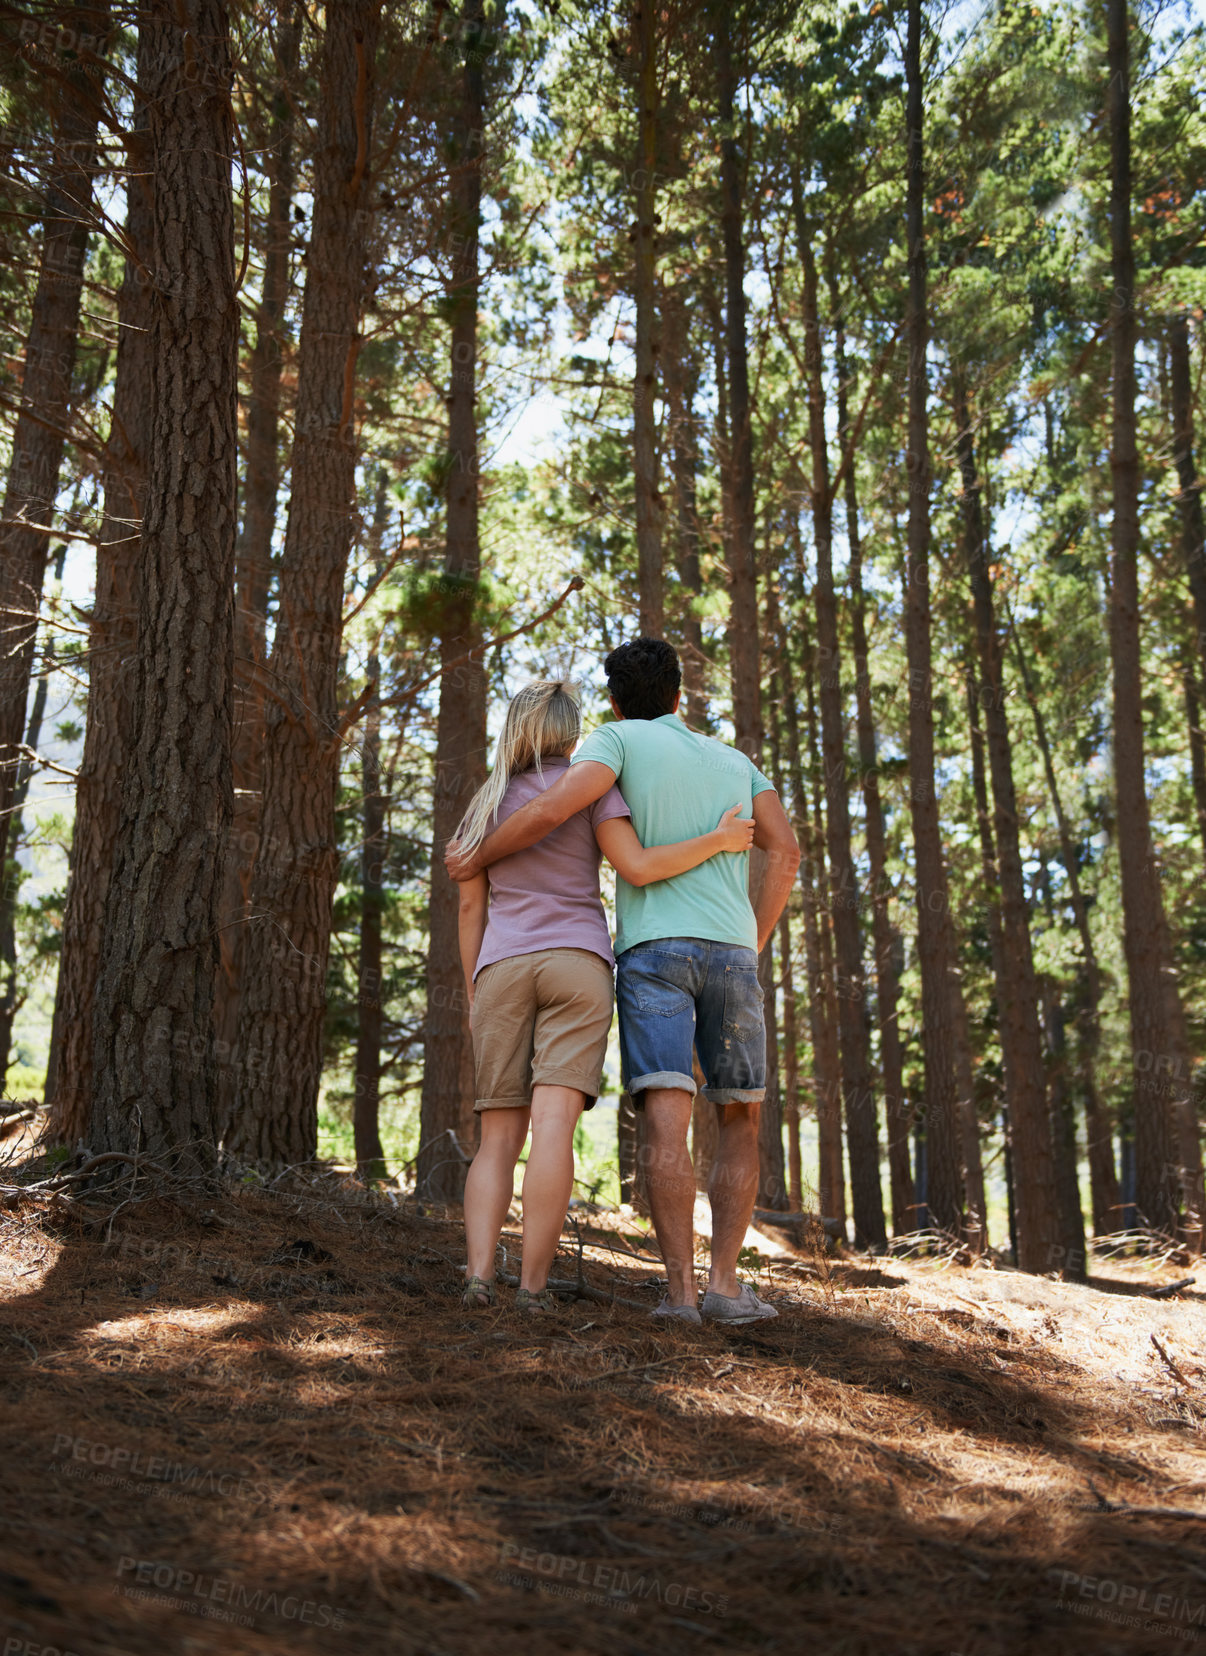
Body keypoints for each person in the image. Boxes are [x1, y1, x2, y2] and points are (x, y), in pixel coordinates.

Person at [448, 640, 801, 1326]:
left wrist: (476, 866)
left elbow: (556, 826)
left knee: (660, 1115)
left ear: (614, 704)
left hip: (642, 953)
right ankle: (723, 1286)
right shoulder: (735, 762)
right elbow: (783, 850)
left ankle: (677, 1296)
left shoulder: (602, 751)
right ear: (679, 697)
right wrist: (749, 942)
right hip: (702, 952)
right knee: (739, 1114)